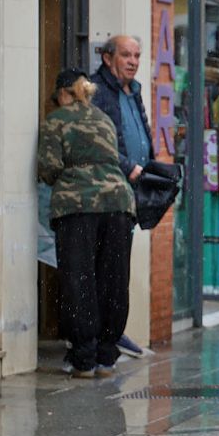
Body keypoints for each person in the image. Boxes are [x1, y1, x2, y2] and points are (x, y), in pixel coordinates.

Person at [37, 70, 137, 379]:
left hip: (77, 205)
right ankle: (107, 356)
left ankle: (83, 357)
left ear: (63, 94)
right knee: (113, 279)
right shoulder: (103, 118)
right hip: (119, 203)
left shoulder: (56, 120)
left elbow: (50, 168)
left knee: (79, 279)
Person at [89, 35, 153, 360]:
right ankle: (102, 338)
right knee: (108, 270)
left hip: (131, 192)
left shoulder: (134, 90)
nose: (132, 61)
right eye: (126, 55)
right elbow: (105, 140)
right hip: (109, 194)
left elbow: (140, 132)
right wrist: (129, 167)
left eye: (137, 55)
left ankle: (112, 334)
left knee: (119, 271)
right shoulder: (99, 90)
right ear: (108, 58)